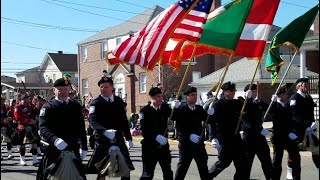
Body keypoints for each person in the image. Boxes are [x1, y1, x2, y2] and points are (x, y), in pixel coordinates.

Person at [36, 77, 88, 179]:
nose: (64, 92)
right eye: (60, 89)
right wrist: (55, 140)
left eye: (66, 89)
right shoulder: (48, 107)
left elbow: (81, 127)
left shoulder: (75, 106)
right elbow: (43, 128)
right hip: (54, 150)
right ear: (54, 90)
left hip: (73, 147)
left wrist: (84, 146)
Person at [86, 76, 134, 180]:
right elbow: (93, 121)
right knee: (102, 171)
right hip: (103, 140)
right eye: (101, 87)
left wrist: (128, 138)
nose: (103, 89)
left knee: (126, 169)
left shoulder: (118, 101)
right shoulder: (96, 103)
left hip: (118, 139)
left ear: (112, 87)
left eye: (106, 87)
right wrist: (104, 131)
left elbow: (124, 121)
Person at [208, 81, 248, 180]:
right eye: (231, 90)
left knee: (242, 163)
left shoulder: (236, 102)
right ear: (225, 92)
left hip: (236, 137)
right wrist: (213, 137)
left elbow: (247, 107)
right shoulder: (218, 104)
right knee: (224, 162)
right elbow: (211, 122)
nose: (234, 92)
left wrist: (248, 98)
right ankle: (207, 176)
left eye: (234, 90)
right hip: (224, 138)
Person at [172, 86, 213, 180]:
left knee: (203, 167)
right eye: (192, 95)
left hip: (198, 143)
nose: (195, 97)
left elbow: (208, 121)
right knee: (182, 167)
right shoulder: (181, 109)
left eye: (195, 95)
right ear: (186, 96)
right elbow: (176, 124)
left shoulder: (199, 109)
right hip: (186, 144)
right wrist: (175, 109)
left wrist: (211, 114)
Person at [139, 87, 174, 180]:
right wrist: (155, 136)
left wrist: (177, 108)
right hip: (149, 147)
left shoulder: (165, 108)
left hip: (163, 146)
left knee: (168, 172)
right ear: (152, 97)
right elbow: (144, 129)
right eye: (158, 96)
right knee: (147, 174)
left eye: (161, 96)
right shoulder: (145, 111)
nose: (160, 99)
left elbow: (175, 117)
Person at [269, 85, 301, 180]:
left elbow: (291, 120)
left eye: (286, 94)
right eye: (283, 94)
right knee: (277, 161)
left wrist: (293, 131)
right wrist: (272, 103)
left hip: (289, 137)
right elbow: (274, 117)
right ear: (278, 95)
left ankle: (295, 177)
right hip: (279, 137)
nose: (286, 95)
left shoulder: (287, 105)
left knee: (295, 157)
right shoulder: (275, 106)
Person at [288, 78, 319, 176]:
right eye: (305, 85)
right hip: (298, 130)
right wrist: (306, 125)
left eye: (307, 85)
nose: (307, 87)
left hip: (310, 129)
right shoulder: (294, 98)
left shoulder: (308, 97)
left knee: (316, 150)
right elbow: (294, 115)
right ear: (299, 86)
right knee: (294, 153)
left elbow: (310, 113)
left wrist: (312, 124)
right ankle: (290, 171)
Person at [241, 84, 273, 179]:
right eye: (253, 91)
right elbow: (246, 119)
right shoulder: (243, 102)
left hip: (259, 137)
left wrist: (274, 102)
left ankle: (270, 177)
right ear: (247, 92)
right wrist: (248, 99)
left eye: (255, 91)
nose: (255, 93)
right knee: (247, 162)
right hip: (249, 138)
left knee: (266, 159)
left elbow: (268, 108)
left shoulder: (258, 102)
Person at [14, 94, 41, 166]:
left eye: (27, 100)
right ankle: (22, 160)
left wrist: (35, 120)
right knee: (22, 144)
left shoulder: (30, 107)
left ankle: (35, 160)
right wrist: (29, 121)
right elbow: (18, 118)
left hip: (32, 127)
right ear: (21, 100)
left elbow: (35, 114)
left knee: (34, 143)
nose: (26, 101)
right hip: (22, 127)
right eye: (24, 100)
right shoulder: (18, 107)